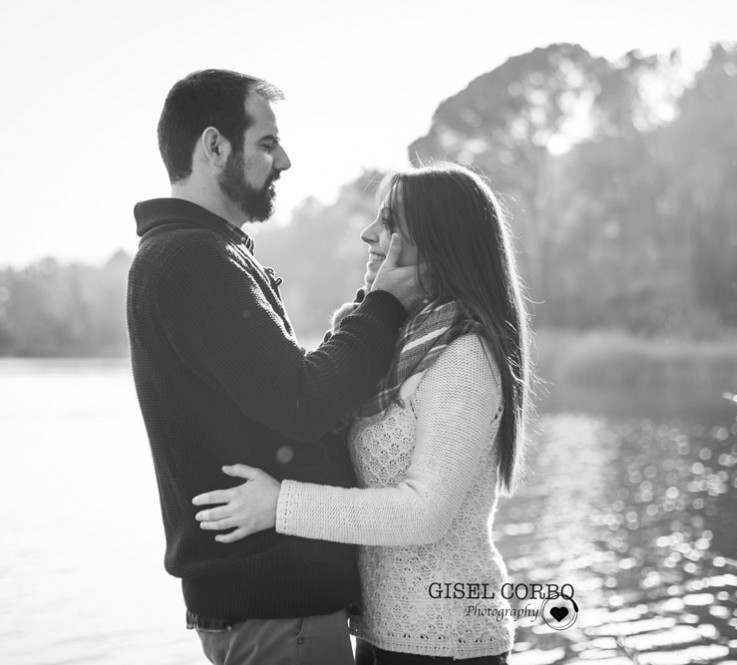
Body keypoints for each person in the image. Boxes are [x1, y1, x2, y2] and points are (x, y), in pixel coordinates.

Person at [127, 69, 423, 665]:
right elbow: (303, 401)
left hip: (268, 611)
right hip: (276, 616)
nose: (283, 159)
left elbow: (281, 392)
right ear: (214, 146)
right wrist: (387, 304)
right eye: (266, 142)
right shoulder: (192, 259)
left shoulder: (197, 252)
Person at [192, 162, 532, 664]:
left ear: (440, 243)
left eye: (390, 223)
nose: (369, 234)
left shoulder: (463, 356)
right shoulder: (389, 337)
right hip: (378, 632)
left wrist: (279, 504)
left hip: (448, 640)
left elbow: (424, 514)